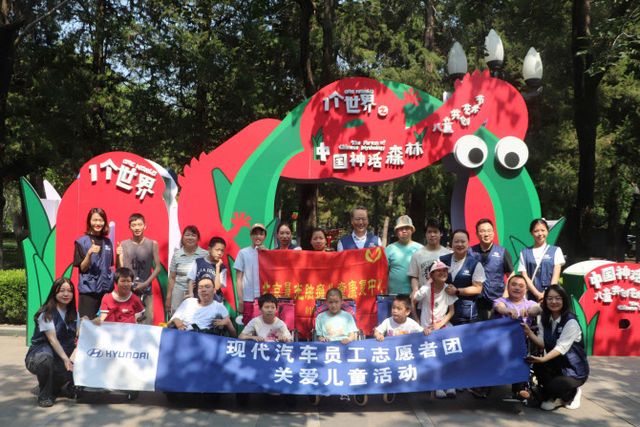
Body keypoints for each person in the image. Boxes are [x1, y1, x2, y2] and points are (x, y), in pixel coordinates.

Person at [523, 285, 589, 411]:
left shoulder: (570, 322)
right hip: (556, 366)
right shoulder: (545, 319)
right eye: (550, 298)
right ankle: (554, 395)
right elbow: (543, 343)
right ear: (545, 301)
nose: (553, 302)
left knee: (553, 387)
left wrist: (543, 359)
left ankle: (573, 392)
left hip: (573, 370)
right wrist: (529, 332)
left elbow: (560, 347)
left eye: (558, 298)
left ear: (564, 300)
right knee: (537, 367)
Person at [25, 278, 79, 407]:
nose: (66, 294)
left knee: (79, 373)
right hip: (39, 356)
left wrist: (91, 322)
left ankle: (56, 386)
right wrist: (66, 360)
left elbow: (80, 333)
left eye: (69, 291)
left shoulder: (74, 314)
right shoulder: (46, 313)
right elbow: (52, 340)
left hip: (59, 359)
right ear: (54, 293)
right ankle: (45, 395)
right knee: (46, 360)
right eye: (62, 290)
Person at [413, 261, 457, 399]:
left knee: (447, 356)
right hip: (426, 329)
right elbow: (413, 301)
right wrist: (417, 321)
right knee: (433, 358)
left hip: (443, 327)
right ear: (431, 274)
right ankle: (437, 385)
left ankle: (450, 385)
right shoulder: (426, 289)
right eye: (438, 271)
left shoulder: (448, 289)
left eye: (444, 270)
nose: (442, 273)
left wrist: (440, 325)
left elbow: (451, 311)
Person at [494, 274, 541, 401]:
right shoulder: (501, 301)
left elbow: (537, 309)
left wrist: (530, 312)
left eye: (521, 286)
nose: (517, 288)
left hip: (521, 341)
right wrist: (508, 311)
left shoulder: (530, 303)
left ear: (526, 289)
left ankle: (519, 389)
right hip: (500, 341)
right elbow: (499, 308)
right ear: (508, 287)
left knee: (522, 352)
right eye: (513, 284)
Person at [117, 213, 161, 325]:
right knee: (127, 323)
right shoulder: (123, 244)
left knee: (147, 322)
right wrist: (118, 256)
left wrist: (146, 283)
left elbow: (158, 268)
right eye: (134, 225)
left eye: (139, 224)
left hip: (146, 291)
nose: (137, 228)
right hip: (128, 291)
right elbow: (120, 269)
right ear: (129, 227)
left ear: (145, 226)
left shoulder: (152, 244)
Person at [73, 207, 114, 319]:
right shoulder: (81, 242)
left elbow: (109, 266)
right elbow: (82, 268)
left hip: (105, 292)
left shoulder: (108, 242)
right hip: (88, 292)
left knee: (105, 326)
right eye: (95, 220)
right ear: (89, 221)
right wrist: (89, 253)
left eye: (101, 220)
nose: (98, 223)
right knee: (86, 325)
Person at [471, 219, 514, 320]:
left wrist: (505, 297)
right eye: (482, 231)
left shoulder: (502, 252)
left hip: (496, 301)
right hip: (475, 302)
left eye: (489, 231)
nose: (486, 234)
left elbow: (511, 275)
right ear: (477, 234)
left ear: (493, 233)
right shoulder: (470, 252)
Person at [408, 219, 452, 318]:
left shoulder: (448, 254)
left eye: (435, 232)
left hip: (443, 301)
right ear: (426, 234)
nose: (432, 235)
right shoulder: (417, 254)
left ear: (441, 234)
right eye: (429, 232)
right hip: (424, 301)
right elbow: (414, 276)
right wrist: (415, 289)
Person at [442, 229, 485, 325]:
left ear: (468, 243)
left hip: (466, 315)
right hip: (444, 313)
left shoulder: (475, 264)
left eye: (463, 241)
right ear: (452, 243)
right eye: (456, 241)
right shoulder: (442, 260)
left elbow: (478, 288)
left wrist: (457, 291)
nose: (459, 244)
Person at [169, 275, 236, 336]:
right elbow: (169, 323)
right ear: (197, 291)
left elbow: (234, 335)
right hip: (181, 336)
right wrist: (176, 320)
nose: (203, 290)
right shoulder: (188, 302)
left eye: (207, 287)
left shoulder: (219, 307)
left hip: (203, 338)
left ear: (214, 290)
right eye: (200, 287)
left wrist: (228, 322)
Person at [518, 218, 565, 302]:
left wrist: (548, 294)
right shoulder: (524, 252)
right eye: (536, 231)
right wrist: (537, 294)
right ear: (531, 233)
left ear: (547, 231)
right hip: (531, 298)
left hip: (552, 298)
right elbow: (524, 276)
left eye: (543, 230)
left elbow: (556, 275)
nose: (540, 234)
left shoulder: (556, 250)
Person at [165, 225, 208, 314]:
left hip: (198, 292)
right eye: (187, 235)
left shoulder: (204, 254)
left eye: (193, 235)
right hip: (178, 291)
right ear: (182, 238)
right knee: (177, 316)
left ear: (198, 238)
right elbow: (172, 277)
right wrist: (168, 297)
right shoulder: (177, 254)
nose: (190, 238)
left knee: (196, 316)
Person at [235, 223, 267, 323]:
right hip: (247, 298)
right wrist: (240, 300)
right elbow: (238, 279)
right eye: (255, 234)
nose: (258, 236)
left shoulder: (269, 254)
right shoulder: (243, 253)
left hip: (264, 298)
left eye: (261, 234)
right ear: (251, 235)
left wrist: (266, 254)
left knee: (263, 326)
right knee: (248, 326)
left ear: (265, 236)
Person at [385, 215, 422, 295]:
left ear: (412, 230)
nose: (404, 231)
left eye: (407, 228)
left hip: (415, 296)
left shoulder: (420, 249)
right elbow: (384, 273)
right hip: (394, 296)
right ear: (396, 232)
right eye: (401, 229)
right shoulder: (389, 249)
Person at [186, 236, 227, 301]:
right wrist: (191, 294)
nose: (219, 253)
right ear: (209, 249)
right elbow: (191, 279)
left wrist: (217, 267)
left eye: (222, 250)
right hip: (198, 300)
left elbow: (217, 287)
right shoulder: (198, 262)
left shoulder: (222, 268)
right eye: (217, 250)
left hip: (215, 301)